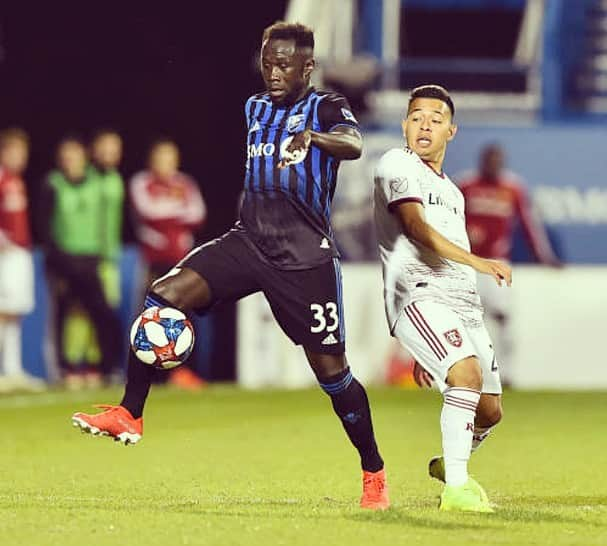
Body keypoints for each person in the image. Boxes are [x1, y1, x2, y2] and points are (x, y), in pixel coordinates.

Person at [72, 21, 389, 510]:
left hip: (304, 260)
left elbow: (353, 144)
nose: (273, 72)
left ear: (308, 67)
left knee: (333, 374)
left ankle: (373, 472)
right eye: (267, 62)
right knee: (163, 296)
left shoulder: (326, 107)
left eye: (284, 63)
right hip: (248, 242)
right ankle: (130, 413)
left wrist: (314, 139)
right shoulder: (255, 107)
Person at [373, 85, 512, 513]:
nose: (424, 125)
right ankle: (456, 488)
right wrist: (480, 261)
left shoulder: (453, 191)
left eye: (435, 118)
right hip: (418, 296)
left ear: (451, 131)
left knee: (489, 412)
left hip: (461, 305)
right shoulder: (397, 164)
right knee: (466, 376)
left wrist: (429, 352)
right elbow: (415, 229)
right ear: (404, 126)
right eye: (416, 117)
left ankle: (449, 463)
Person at [457, 145, 560, 386]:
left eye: (498, 160)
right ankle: (462, 375)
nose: (493, 164)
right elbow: (447, 219)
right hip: (467, 263)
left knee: (504, 319)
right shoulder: (466, 185)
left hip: (496, 266)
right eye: (489, 160)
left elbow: (528, 225)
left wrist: (545, 257)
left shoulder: (512, 188)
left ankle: (507, 373)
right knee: (461, 321)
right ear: (481, 161)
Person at [40, 137, 123, 387]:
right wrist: (56, 259)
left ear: (85, 158)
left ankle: (104, 367)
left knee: (101, 314)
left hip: (92, 259)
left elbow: (109, 217)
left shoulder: (99, 183)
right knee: (66, 314)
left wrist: (105, 254)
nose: (70, 162)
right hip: (64, 261)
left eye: (75, 156)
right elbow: (44, 225)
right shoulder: (53, 184)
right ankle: (66, 368)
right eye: (65, 157)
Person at [129, 139, 207, 390]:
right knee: (150, 318)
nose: (166, 163)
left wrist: (170, 213)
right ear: (152, 160)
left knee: (184, 317)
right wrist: (176, 212)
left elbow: (197, 213)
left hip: (182, 261)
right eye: (162, 157)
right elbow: (148, 210)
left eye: (170, 158)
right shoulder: (142, 182)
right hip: (154, 262)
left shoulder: (185, 183)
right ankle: (147, 375)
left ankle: (184, 372)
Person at [0, 128, 45, 392]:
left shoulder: (16, 180)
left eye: (23, 151)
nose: (21, 156)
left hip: (21, 252)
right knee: (3, 311)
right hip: (6, 254)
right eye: (15, 150)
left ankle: (13, 369)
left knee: (15, 311)